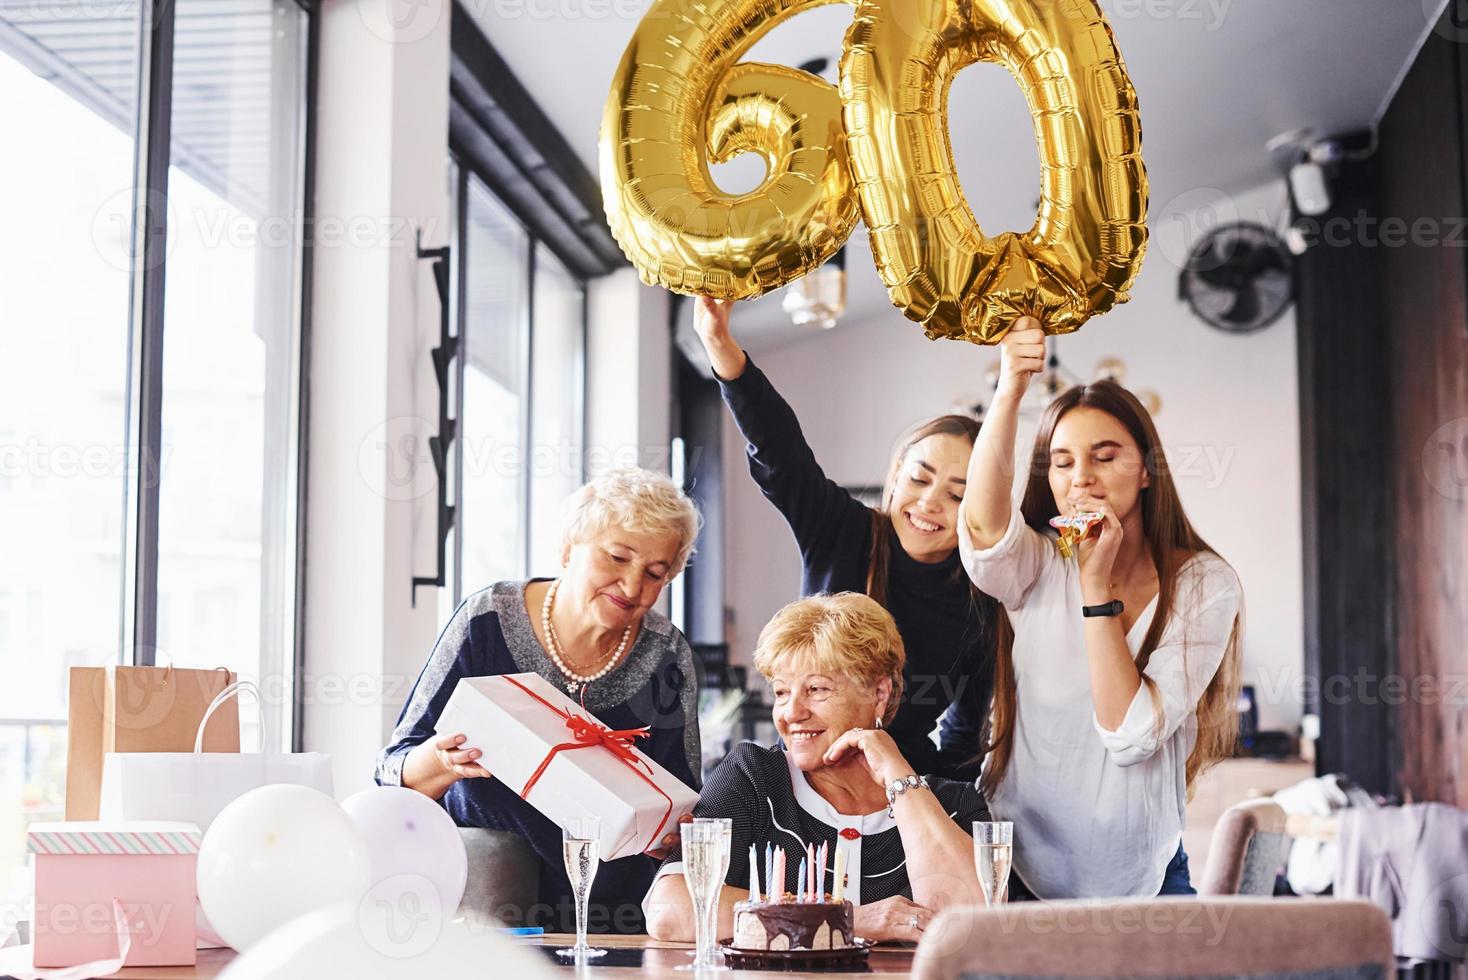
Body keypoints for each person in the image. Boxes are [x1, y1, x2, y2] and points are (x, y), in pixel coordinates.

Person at [958, 318, 1244, 899]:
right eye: (1061, 462)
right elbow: (984, 528)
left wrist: (1095, 588)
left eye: (1104, 456)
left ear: (1145, 470)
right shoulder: (1038, 563)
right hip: (1017, 866)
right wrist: (1011, 385)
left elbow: (1130, 732)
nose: (1080, 477)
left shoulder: (1204, 584)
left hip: (1143, 873)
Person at [376, 468, 704, 934]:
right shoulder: (487, 620)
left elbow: (685, 803)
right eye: (616, 557)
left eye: (654, 574)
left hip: (620, 905)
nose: (632, 588)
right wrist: (443, 760)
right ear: (570, 547)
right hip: (493, 892)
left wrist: (668, 831)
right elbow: (393, 771)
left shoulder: (666, 655)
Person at [693, 296, 998, 780]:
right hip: (804, 776)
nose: (929, 504)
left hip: (901, 789)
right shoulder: (843, 530)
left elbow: (962, 737)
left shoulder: (983, 598)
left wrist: (939, 809)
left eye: (958, 494)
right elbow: (782, 454)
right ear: (895, 477)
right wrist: (720, 345)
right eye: (919, 479)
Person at [643, 593, 988, 943]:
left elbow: (973, 928)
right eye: (781, 692)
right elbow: (670, 911)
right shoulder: (753, 779)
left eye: (816, 689)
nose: (792, 713)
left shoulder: (954, 805)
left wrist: (899, 777)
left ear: (879, 693)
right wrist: (848, 919)